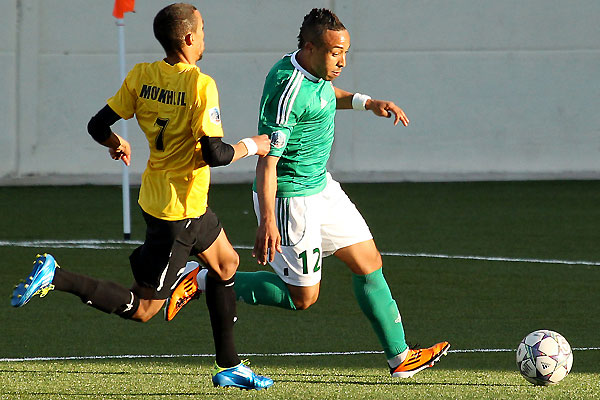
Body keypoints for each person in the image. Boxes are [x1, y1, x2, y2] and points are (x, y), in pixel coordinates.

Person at [167, 8, 449, 378]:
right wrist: (267, 222)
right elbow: (267, 161)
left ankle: (400, 357)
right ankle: (202, 279)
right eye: (336, 53)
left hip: (321, 186)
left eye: (345, 53)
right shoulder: (288, 91)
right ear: (312, 47)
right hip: (290, 198)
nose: (343, 61)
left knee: (369, 262)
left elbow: (327, 94)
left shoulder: (313, 71)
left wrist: (367, 102)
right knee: (302, 298)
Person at [10, 3, 274, 391]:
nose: (204, 36)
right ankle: (57, 275)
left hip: (173, 201)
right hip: (176, 214)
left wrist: (115, 142)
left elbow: (97, 124)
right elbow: (217, 154)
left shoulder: (141, 75)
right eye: (201, 30)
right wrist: (256, 145)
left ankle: (230, 365)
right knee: (144, 309)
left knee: (226, 263)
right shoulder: (201, 85)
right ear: (188, 38)